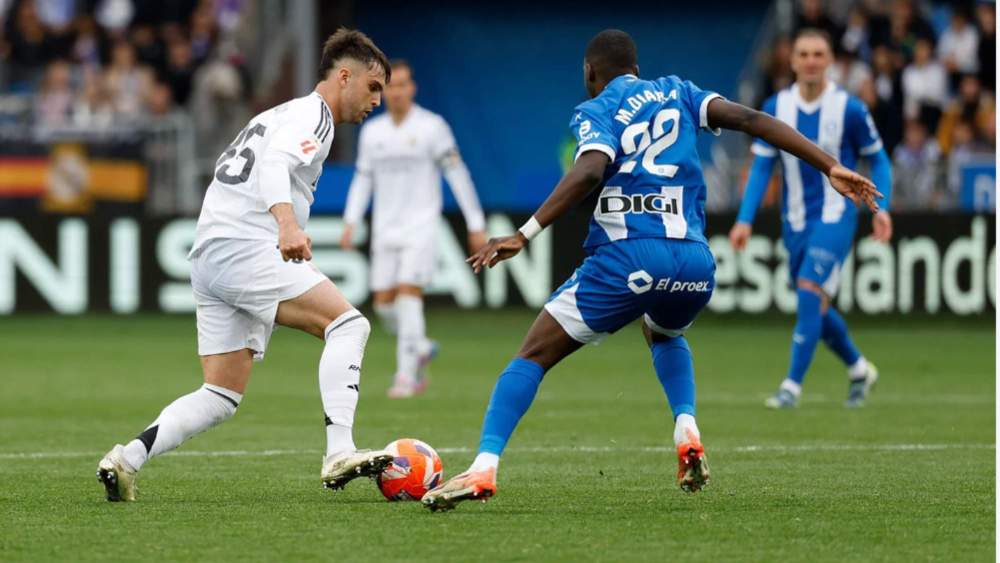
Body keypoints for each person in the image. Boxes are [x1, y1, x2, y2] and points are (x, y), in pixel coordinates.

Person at [421, 29, 881, 512]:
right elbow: (751, 118)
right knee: (662, 334)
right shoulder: (681, 91)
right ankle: (687, 428)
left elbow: (590, 170)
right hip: (695, 262)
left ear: (590, 73)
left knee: (532, 355)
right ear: (637, 67)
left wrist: (524, 233)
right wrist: (830, 165)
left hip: (630, 255)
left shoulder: (595, 109)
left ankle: (484, 466)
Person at [96, 28, 394, 502]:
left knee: (220, 395)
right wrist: (287, 225)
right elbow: (275, 165)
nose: (378, 99)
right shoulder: (315, 116)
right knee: (348, 325)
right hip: (246, 244)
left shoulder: (279, 112)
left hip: (211, 252)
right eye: (374, 87)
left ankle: (126, 458)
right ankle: (339, 450)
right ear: (344, 77)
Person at [728, 29, 893, 409]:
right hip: (795, 221)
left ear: (830, 59)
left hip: (837, 216)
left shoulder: (849, 109)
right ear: (792, 61)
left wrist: (881, 210)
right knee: (815, 304)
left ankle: (791, 387)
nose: (811, 61)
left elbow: (879, 159)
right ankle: (858, 369)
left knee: (807, 287)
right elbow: (761, 168)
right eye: (804, 54)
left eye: (819, 53)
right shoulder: (775, 107)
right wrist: (744, 219)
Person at [341, 60, 486, 398]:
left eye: (403, 84)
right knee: (384, 305)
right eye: (390, 85)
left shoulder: (432, 127)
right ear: (381, 89)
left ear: (412, 88)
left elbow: (457, 174)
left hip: (421, 226)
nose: (396, 92)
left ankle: (406, 377)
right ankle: (419, 346)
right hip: (385, 229)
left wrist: (475, 223)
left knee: (409, 296)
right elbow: (363, 179)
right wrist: (351, 219)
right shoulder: (372, 132)